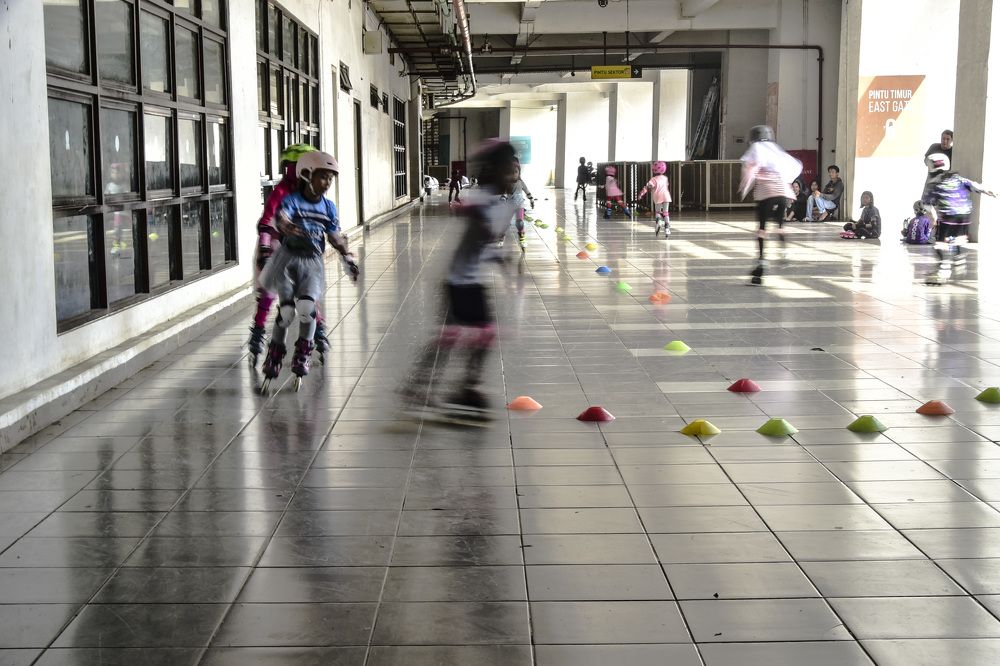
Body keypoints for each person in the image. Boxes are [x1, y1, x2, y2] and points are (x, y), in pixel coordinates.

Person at [399, 139, 518, 417]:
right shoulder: (481, 200)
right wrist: (495, 248)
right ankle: (422, 388)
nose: (512, 176)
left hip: (472, 282)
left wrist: (501, 259)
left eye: (514, 170)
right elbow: (475, 226)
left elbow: (485, 245)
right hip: (459, 282)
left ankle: (463, 387)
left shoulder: (499, 204)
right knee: (452, 337)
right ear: (492, 170)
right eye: (507, 170)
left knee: (478, 336)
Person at [259, 151, 360, 390]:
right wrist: (286, 226)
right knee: (286, 313)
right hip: (287, 260)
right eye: (323, 177)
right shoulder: (292, 200)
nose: (327, 183)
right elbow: (282, 218)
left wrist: (347, 255)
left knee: (306, 309)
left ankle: (303, 353)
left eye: (330, 179)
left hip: (312, 263)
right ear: (306, 174)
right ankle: (275, 355)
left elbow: (334, 235)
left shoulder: (328, 207)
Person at [247, 144, 331, 367]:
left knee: (308, 294)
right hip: (276, 246)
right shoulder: (282, 191)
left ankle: (318, 331)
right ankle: (258, 332)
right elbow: (267, 222)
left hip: (302, 250)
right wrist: (265, 249)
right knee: (268, 295)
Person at [738, 124, 802, 285]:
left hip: (766, 193)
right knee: (780, 225)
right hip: (782, 192)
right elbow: (794, 167)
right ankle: (784, 253)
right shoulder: (776, 151)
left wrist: (744, 187)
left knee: (762, 229)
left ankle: (761, 264)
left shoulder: (756, 148)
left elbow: (750, 169)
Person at [923, 152, 997, 284]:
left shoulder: (935, 183)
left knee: (940, 244)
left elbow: (927, 203)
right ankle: (959, 258)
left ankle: (944, 270)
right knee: (956, 239)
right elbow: (975, 185)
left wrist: (933, 216)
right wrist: (989, 191)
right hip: (965, 215)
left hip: (948, 215)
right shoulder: (958, 179)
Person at [637, 160, 672, 237]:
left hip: (657, 196)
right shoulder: (665, 178)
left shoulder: (653, 179)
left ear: (654, 169)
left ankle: (658, 222)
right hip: (666, 196)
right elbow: (666, 185)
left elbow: (648, 187)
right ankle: (667, 228)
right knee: (666, 212)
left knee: (658, 212)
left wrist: (641, 194)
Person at [505, 161, 535, 251]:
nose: (514, 174)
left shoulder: (521, 182)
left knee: (520, 223)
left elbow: (527, 191)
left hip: (519, 205)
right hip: (509, 206)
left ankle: (522, 238)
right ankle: (501, 238)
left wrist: (531, 200)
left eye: (516, 172)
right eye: (511, 172)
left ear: (519, 173)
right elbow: (504, 193)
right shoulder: (507, 183)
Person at [923, 130, 954, 201]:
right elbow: (925, 161)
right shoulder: (934, 147)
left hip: (945, 183)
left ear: (952, 140)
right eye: (943, 138)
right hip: (931, 181)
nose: (945, 141)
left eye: (948, 139)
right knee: (926, 202)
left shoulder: (953, 151)